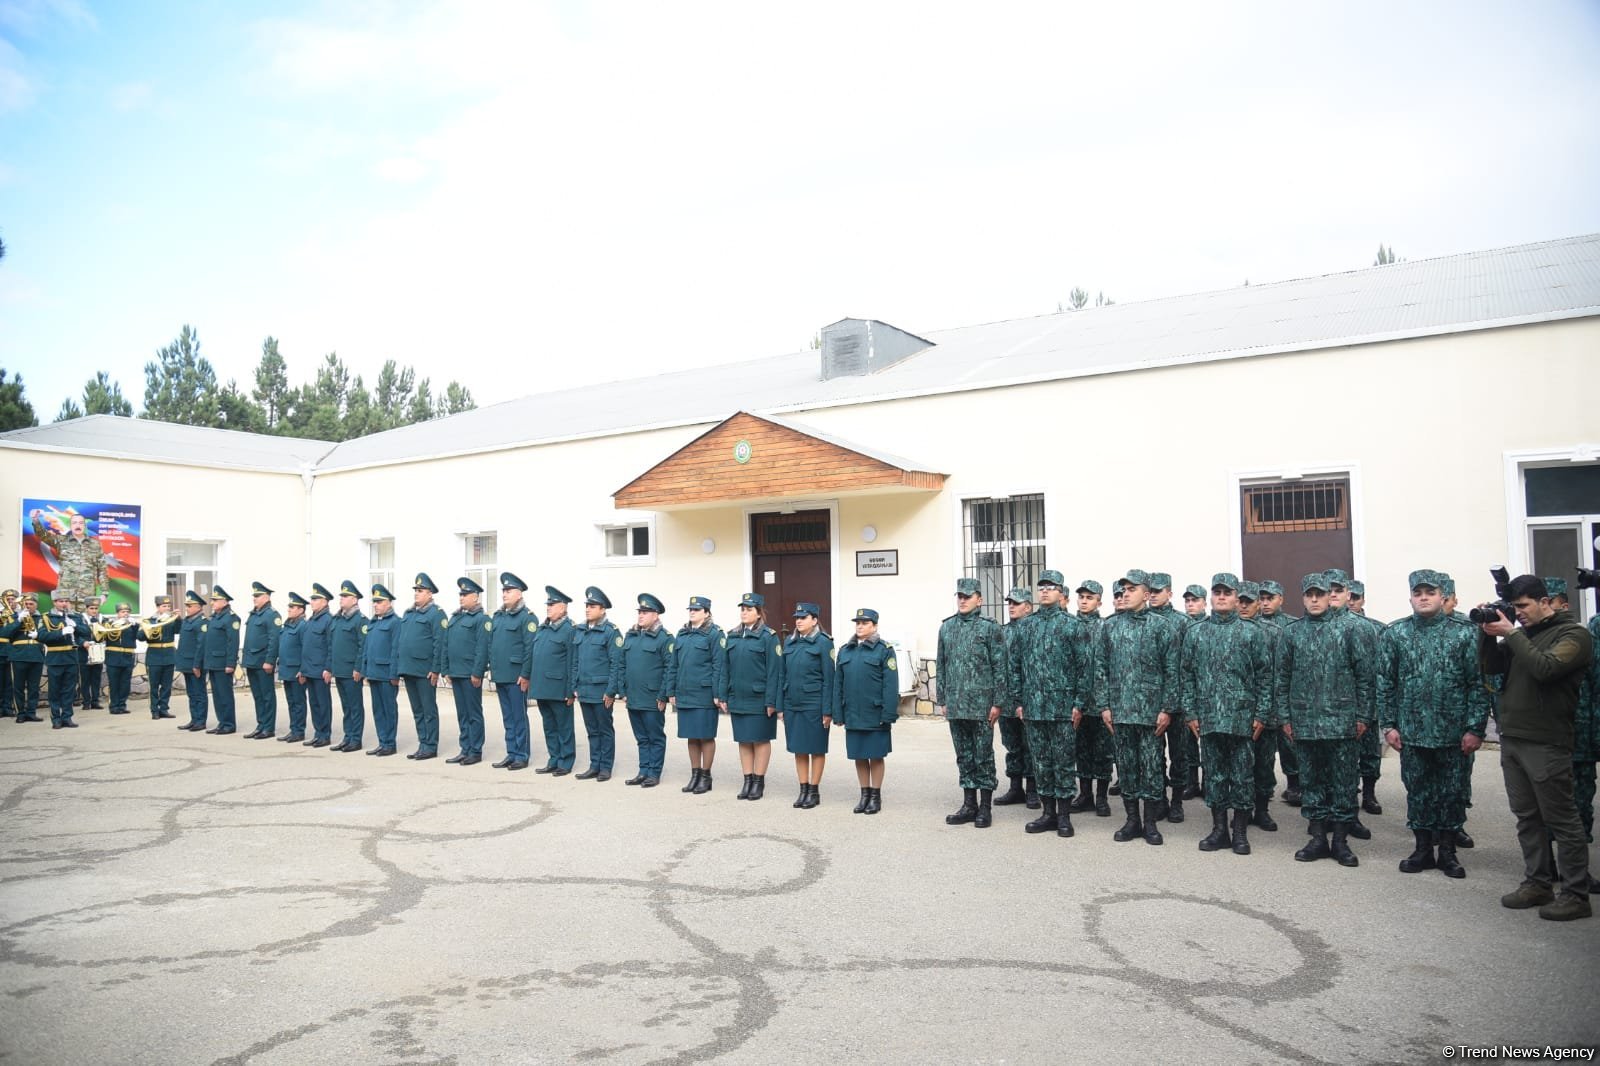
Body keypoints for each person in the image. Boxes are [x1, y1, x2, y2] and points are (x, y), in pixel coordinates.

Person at [1478, 574, 1594, 921]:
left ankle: (1575, 894)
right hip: (1513, 737)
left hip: (1546, 741)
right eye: (1515, 608)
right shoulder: (1524, 635)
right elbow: (1491, 667)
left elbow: (1546, 669)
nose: (1520, 613)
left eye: (1524, 606)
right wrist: (1486, 634)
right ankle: (1538, 883)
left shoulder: (1574, 634)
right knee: (1527, 818)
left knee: (1562, 820)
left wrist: (1511, 633)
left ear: (1546, 602)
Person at [1378, 569, 1489, 879]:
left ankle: (1449, 853)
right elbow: (1385, 684)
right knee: (1418, 792)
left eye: (1430, 592)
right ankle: (1423, 849)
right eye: (1418, 593)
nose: (1423, 597)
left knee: (1451, 793)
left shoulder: (1465, 633)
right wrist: (1388, 725)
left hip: (1454, 734)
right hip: (1412, 733)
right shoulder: (1396, 634)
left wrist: (1475, 728)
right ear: (1411, 597)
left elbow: (1478, 685)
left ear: (1444, 597)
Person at [1278, 573, 1373, 867]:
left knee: (1344, 783)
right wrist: (1285, 717)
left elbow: (1365, 678)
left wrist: (1363, 716)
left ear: (1330, 596)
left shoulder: (1351, 629)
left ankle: (1341, 841)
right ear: (1303, 598)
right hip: (1305, 723)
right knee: (1312, 782)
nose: (1316, 600)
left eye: (1321, 594)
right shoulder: (1292, 632)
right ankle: (1318, 838)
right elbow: (1281, 679)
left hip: (1342, 723)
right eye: (1310, 595)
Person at [1182, 574, 1272, 855]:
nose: (1221, 597)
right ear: (1211, 597)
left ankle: (1240, 832)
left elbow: (1265, 677)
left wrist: (1261, 714)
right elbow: (1187, 675)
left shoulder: (1252, 632)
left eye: (1227, 593)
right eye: (1217, 592)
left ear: (1236, 597)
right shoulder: (1196, 632)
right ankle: (1219, 829)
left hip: (1241, 719)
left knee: (1243, 776)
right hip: (1208, 718)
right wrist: (1191, 712)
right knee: (1215, 776)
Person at [1096, 570, 1180, 844]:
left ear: (1146, 594)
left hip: (1150, 714)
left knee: (1152, 767)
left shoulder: (1161, 626)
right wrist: (1104, 706)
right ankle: (1132, 820)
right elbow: (1101, 668)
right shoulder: (1110, 626)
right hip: (1120, 712)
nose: (1126, 594)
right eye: (1123, 590)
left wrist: (1167, 708)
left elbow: (1172, 671)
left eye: (1132, 589)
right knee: (1127, 767)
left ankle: (1151, 823)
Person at [1012, 570, 1090, 838]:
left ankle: (1065, 816)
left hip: (1062, 708)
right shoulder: (1026, 625)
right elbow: (1016, 666)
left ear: (1061, 593)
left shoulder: (1073, 626)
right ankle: (1047, 813)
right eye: (1041, 586)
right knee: (1041, 762)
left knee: (1064, 762)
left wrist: (1079, 703)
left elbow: (1084, 669)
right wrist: (1019, 701)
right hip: (1033, 708)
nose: (1044, 590)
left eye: (1051, 587)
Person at [937, 578, 1007, 829]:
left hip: (981, 705)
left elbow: (1000, 667)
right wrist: (942, 699)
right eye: (960, 596)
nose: (963, 600)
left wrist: (998, 702)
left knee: (983, 756)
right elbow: (941, 664)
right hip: (956, 704)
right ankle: (969, 804)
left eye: (968, 596)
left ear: (980, 599)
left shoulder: (990, 628)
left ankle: (985, 806)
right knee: (964, 756)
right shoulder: (946, 628)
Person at [836, 607, 898, 814]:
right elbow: (839, 684)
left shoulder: (884, 650)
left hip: (875, 712)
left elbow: (890, 685)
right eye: (858, 623)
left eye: (865, 623)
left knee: (876, 755)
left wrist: (888, 713)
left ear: (875, 626)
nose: (860, 626)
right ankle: (864, 795)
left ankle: (875, 796)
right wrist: (838, 712)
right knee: (859, 755)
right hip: (852, 712)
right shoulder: (846, 650)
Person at [722, 592, 783, 801]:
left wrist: (771, 700)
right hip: (738, 696)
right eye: (742, 609)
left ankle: (758, 781)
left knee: (760, 740)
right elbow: (725, 668)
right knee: (744, 740)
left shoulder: (769, 636)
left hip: (760, 698)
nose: (744, 612)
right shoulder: (732, 635)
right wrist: (723, 695)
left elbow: (775, 671)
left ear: (759, 613)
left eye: (749, 609)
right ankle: (747, 780)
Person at [668, 596, 725, 794]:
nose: (692, 612)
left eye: (696, 609)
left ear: (707, 613)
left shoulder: (715, 634)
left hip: (704, 693)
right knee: (691, 737)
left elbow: (719, 665)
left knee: (705, 736)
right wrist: (671, 690)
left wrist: (718, 693)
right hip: (685, 692)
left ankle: (706, 776)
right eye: (690, 609)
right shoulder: (682, 634)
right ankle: (695, 774)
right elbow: (673, 665)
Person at [778, 601, 832, 808]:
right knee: (799, 748)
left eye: (803, 617)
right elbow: (782, 676)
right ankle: (803, 790)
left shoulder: (824, 643)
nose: (798, 621)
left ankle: (814, 791)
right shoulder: (790, 643)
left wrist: (827, 710)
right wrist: (781, 706)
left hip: (814, 703)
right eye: (797, 618)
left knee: (816, 749)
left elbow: (829, 678)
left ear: (815, 620)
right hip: (793, 703)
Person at [618, 593, 673, 788]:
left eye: (645, 612)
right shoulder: (631, 636)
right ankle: (643, 771)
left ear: (656, 615)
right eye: (639, 612)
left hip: (652, 697)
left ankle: (654, 773)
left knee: (655, 736)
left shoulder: (664, 638)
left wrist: (663, 695)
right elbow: (621, 664)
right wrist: (622, 690)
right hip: (633, 696)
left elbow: (670, 668)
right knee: (641, 737)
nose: (640, 615)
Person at [1071, 579, 1115, 817]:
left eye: (1090, 597)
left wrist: (1106, 701)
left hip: (1100, 702)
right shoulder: (1070, 626)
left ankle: (1101, 797)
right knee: (1081, 750)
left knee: (1103, 751)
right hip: (1077, 703)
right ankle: (1085, 794)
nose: (1085, 601)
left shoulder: (1105, 627)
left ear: (1099, 601)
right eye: (1082, 597)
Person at [571, 587, 624, 781]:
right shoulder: (581, 630)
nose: (587, 609)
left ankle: (605, 767)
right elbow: (575, 661)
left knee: (604, 729)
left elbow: (616, 663)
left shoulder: (610, 632)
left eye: (592, 606)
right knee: (592, 730)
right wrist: (574, 685)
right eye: (587, 606)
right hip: (584, 689)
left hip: (601, 691)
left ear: (602, 610)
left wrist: (611, 691)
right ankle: (594, 765)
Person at [439, 577, 490, 766]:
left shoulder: (481, 619)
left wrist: (477, 673)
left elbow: (481, 648)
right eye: (460, 594)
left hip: (470, 673)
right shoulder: (455, 618)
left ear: (476, 597)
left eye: (465, 594)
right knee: (462, 713)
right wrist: (446, 669)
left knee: (473, 712)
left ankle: (475, 750)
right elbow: (446, 644)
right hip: (456, 672)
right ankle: (465, 748)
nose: (461, 597)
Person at [995, 588, 1038, 810]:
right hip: (1006, 699)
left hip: (1029, 698)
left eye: (1016, 603)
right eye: (1009, 602)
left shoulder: (1034, 630)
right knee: (1012, 745)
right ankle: (1015, 787)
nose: (1011, 606)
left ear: (1028, 606)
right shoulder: (1001, 632)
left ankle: (1033, 788)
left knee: (1030, 744)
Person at [487, 573, 535, 770]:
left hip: (516, 677)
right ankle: (511, 752)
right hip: (501, 674)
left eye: (509, 591)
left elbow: (529, 648)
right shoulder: (498, 616)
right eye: (503, 591)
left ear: (519, 593)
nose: (504, 594)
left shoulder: (527, 618)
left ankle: (522, 755)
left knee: (518, 716)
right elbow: (492, 645)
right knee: (507, 717)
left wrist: (525, 674)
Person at [398, 573, 446, 762]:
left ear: (430, 594)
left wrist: (435, 669)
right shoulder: (408, 614)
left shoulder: (436, 614)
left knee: (428, 709)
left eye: (421, 591)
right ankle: (422, 743)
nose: (416, 594)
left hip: (425, 670)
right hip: (409, 668)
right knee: (417, 710)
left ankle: (431, 746)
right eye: (416, 591)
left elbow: (438, 643)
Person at [529, 586, 576, 775]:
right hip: (542, 687)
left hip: (559, 688)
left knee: (564, 727)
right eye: (548, 604)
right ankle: (553, 758)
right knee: (549, 726)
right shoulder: (543, 628)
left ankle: (566, 761)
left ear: (563, 608)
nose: (548, 607)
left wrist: (570, 690)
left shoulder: (569, 630)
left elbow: (572, 661)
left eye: (553, 604)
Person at [359, 584, 402, 757]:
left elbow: (395, 649)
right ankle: (382, 741)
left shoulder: (395, 622)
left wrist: (394, 674)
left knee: (388, 709)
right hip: (374, 673)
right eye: (374, 602)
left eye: (379, 601)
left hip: (386, 674)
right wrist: (364, 671)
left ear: (389, 603)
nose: (375, 605)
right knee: (377, 710)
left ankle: (390, 744)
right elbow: (366, 649)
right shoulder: (373, 623)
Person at [30, 509, 108, 603]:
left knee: (85, 618)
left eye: (80, 523)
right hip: (65, 596)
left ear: (84, 525)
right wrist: (35, 520)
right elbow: (42, 535)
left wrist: (104, 593)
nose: (78, 526)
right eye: (74, 523)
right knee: (66, 617)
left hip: (87, 595)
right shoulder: (61, 541)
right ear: (70, 526)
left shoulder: (95, 544)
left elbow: (102, 569)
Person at [329, 580, 368, 752]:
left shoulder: (360, 620)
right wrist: (330, 667)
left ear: (355, 600)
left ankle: (356, 739)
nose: (341, 599)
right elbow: (332, 645)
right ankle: (348, 736)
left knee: (355, 706)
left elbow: (363, 646)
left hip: (352, 671)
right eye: (341, 596)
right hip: (339, 670)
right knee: (346, 707)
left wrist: (359, 668)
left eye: (345, 596)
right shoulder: (337, 619)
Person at [241, 582, 282, 739]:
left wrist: (270, 660)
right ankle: (261, 724)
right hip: (251, 661)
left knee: (267, 695)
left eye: (257, 596)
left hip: (263, 661)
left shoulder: (272, 615)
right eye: (254, 596)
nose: (254, 599)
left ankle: (268, 727)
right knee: (257, 695)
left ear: (266, 597)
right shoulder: (254, 614)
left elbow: (274, 639)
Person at [38, 596, 84, 728]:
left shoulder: (74, 616)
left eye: (66, 601)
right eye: (61, 601)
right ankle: (56, 718)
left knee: (69, 690)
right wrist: (61, 632)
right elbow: (41, 636)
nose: (64, 604)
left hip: (71, 657)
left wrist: (76, 625)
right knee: (55, 690)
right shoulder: (46, 617)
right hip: (55, 658)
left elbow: (85, 632)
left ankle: (67, 717)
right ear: (54, 602)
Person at [299, 583, 335, 748]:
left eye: (315, 599)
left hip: (321, 670)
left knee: (323, 703)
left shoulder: (328, 620)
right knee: (313, 703)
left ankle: (325, 734)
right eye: (312, 599)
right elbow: (306, 646)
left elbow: (330, 646)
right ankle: (317, 733)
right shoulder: (310, 621)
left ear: (325, 601)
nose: (312, 602)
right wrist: (303, 669)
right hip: (309, 669)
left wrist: (328, 668)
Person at [202, 587, 241, 735]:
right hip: (213, 662)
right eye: (212, 600)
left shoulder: (231, 618)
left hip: (223, 663)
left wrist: (231, 663)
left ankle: (229, 724)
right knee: (217, 695)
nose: (212, 603)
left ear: (224, 602)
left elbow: (233, 642)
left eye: (215, 600)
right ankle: (222, 722)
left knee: (225, 695)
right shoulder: (215, 617)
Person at [275, 592, 308, 742]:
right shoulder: (288, 624)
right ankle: (293, 729)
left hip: (296, 671)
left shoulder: (302, 626)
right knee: (291, 702)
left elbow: (305, 649)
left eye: (292, 607)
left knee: (298, 702)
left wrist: (302, 669)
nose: (289, 609)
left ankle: (299, 731)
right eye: (289, 606)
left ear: (301, 610)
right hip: (287, 669)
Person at [175, 590, 209, 732]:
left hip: (195, 665)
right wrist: (177, 619)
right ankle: (194, 719)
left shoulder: (202, 622)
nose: (187, 608)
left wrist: (197, 665)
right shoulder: (187, 621)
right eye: (186, 606)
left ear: (199, 607)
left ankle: (200, 721)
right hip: (186, 663)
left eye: (190, 606)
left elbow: (201, 646)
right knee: (191, 693)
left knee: (199, 693)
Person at [8, 594, 45, 722]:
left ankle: (31, 712)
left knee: (34, 687)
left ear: (36, 605)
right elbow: (6, 633)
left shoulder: (41, 618)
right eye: (26, 604)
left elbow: (47, 635)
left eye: (31, 604)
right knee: (18, 687)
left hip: (36, 655)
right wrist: (18, 620)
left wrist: (38, 635)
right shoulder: (14, 617)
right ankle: (20, 713)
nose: (28, 606)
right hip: (19, 655)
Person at [102, 602, 138, 714]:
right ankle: (114, 707)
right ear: (117, 613)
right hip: (113, 657)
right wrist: (116, 624)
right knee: (114, 683)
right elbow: (103, 636)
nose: (125, 614)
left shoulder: (132, 625)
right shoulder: (109, 624)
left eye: (127, 612)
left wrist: (136, 626)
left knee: (125, 684)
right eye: (123, 612)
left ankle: (122, 705)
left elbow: (139, 637)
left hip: (127, 657)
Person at [78, 596, 104, 708]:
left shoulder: (103, 619)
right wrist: (82, 642)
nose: (94, 611)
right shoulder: (80, 619)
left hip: (98, 651)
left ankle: (95, 701)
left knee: (96, 678)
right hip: (85, 651)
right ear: (87, 608)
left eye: (96, 608)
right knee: (85, 678)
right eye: (92, 608)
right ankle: (86, 701)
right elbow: (75, 634)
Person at [0, 588, 14, 718]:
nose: (10, 602)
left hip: (12, 651)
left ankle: (8, 706)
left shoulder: (19, 615)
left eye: (12, 600)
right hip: (0, 650)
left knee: (10, 682)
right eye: (7, 600)